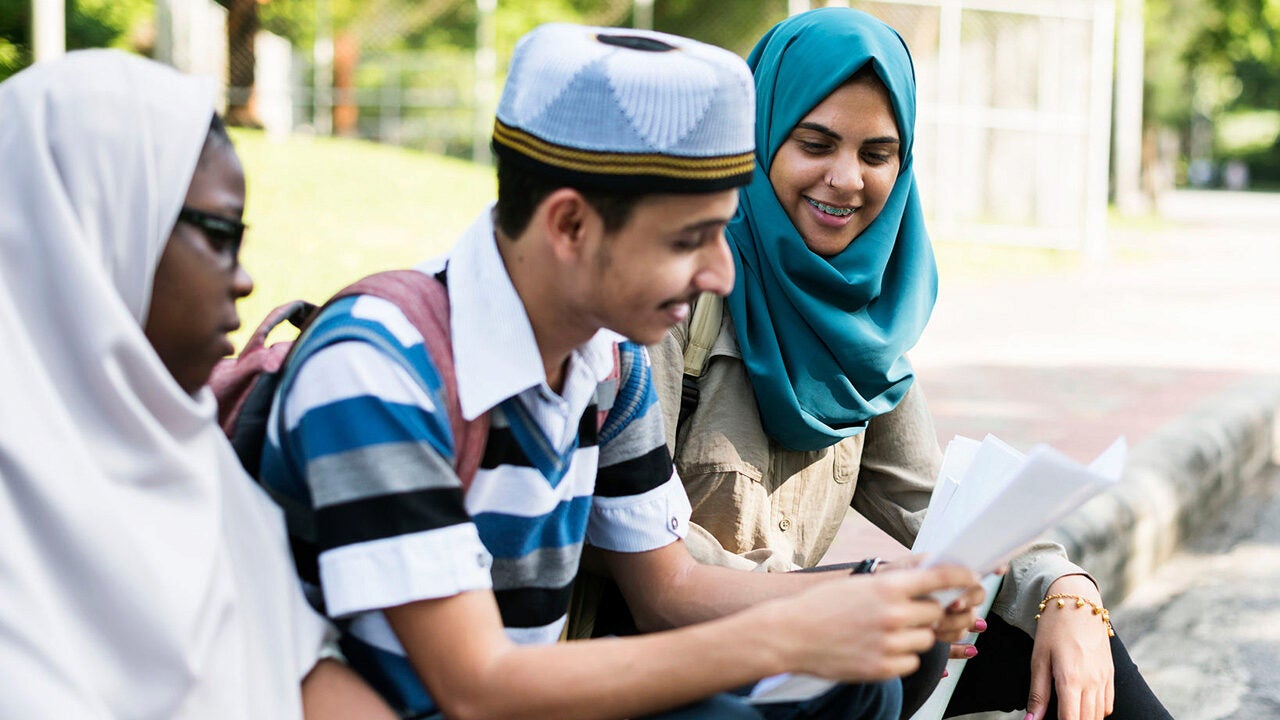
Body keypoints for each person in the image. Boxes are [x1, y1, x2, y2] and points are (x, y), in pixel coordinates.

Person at [257, 23, 984, 720]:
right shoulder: (377, 370)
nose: (722, 271)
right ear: (570, 225)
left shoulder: (606, 362)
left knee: (864, 683)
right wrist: (794, 633)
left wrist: (860, 600)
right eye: (690, 239)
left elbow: (670, 589)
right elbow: (477, 686)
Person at [644, 9, 1174, 720]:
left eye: (876, 153)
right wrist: (858, 596)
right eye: (815, 143)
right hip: (670, 668)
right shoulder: (674, 296)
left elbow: (949, 507)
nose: (845, 179)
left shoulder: (856, 329)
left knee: (1054, 641)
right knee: (899, 651)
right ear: (759, 133)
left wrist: (1066, 588)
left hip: (806, 662)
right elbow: (649, 564)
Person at [0, 51, 395, 719]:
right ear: (93, 226)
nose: (245, 279)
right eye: (220, 234)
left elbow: (301, 672)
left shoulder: (192, 461)